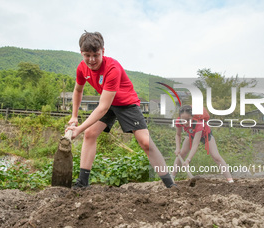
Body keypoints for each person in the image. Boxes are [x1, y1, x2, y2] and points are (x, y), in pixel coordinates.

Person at [66, 31, 176, 189]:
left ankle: (170, 185)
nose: (91, 60)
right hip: (108, 103)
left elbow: (102, 107)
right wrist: (74, 116)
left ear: (103, 51)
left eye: (96, 55)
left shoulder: (112, 68)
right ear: (81, 53)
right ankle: (82, 183)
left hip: (126, 103)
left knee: (145, 142)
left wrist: (79, 129)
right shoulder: (82, 68)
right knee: (90, 134)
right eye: (87, 55)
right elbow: (78, 90)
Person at [173, 105, 234, 183]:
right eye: (183, 120)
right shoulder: (179, 121)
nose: (186, 123)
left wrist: (188, 160)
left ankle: (230, 180)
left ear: (192, 117)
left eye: (188, 120)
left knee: (216, 157)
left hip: (205, 135)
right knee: (181, 153)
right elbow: (178, 135)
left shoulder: (199, 124)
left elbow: (195, 144)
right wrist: (177, 148)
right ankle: (172, 177)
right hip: (191, 134)